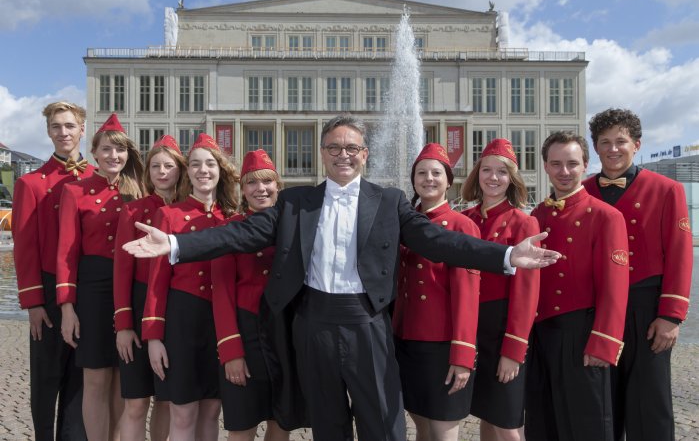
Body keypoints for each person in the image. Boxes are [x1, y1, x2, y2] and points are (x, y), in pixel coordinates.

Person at [123, 114, 560, 441]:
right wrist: (177, 246)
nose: (344, 155)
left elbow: (437, 241)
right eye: (335, 148)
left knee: (383, 420)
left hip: (367, 322)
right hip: (312, 322)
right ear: (323, 153)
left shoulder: (388, 201)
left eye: (352, 148)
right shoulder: (296, 202)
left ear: (364, 154)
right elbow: (242, 232)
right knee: (327, 420)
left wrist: (505, 255)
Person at [583, 108, 692, 441]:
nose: (613, 149)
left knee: (650, 400)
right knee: (601, 399)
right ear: (596, 148)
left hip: (647, 309)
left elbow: (679, 253)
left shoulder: (667, 189)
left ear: (637, 144)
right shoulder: (582, 191)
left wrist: (671, 316)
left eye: (621, 141)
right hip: (596, 309)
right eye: (605, 142)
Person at [526, 130, 629, 441]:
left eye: (572, 163)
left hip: (583, 334)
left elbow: (615, 287)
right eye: (556, 163)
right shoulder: (538, 214)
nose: (564, 172)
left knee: (588, 426)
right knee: (545, 422)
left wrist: (604, 342)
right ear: (545, 166)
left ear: (586, 164)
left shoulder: (606, 216)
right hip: (542, 335)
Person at [142, 133, 239, 440]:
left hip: (220, 324)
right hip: (181, 323)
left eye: (210, 163)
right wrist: (154, 337)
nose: (203, 170)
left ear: (220, 170)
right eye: (195, 164)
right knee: (183, 413)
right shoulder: (168, 215)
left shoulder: (232, 219)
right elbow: (156, 281)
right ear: (188, 172)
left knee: (211, 412)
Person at [57, 112, 144, 440]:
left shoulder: (137, 191)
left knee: (124, 378)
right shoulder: (75, 192)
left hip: (130, 288)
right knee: (95, 378)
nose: (114, 156)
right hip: (92, 290)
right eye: (106, 149)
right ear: (93, 153)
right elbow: (66, 251)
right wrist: (67, 307)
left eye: (119, 150)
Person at [12, 101, 91, 441]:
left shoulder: (96, 179)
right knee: (45, 381)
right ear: (48, 131)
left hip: (87, 291)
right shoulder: (31, 184)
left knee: (81, 382)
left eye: (70, 126)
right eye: (57, 126)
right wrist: (32, 303)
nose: (64, 132)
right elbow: (24, 247)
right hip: (46, 289)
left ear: (81, 130)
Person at [392, 143, 481, 441]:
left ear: (448, 180)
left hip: (443, 344)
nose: (428, 178)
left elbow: (468, 295)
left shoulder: (461, 226)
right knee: (421, 424)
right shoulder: (403, 225)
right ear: (413, 180)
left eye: (436, 173)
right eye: (421, 173)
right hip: (405, 340)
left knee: (444, 428)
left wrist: (463, 355)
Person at [462, 138, 540, 441]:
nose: (493, 177)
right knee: (486, 414)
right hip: (471, 330)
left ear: (512, 179)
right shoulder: (465, 219)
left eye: (502, 172)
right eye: (487, 170)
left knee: (507, 423)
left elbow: (527, 292)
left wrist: (514, 349)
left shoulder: (524, 222)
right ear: (477, 174)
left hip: (503, 329)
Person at [211, 149, 290, 441]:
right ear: (242, 189)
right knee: (242, 426)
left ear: (277, 186)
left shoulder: (291, 228)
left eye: (267, 181)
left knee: (281, 422)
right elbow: (221, 294)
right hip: (245, 333)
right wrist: (231, 352)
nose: (261, 189)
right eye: (252, 183)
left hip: (283, 336)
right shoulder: (230, 229)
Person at [113, 135, 187, 440]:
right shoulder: (132, 212)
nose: (162, 171)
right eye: (155, 165)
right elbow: (121, 273)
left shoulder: (187, 211)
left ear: (180, 170)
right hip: (140, 303)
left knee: (167, 401)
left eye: (168, 165)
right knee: (136, 402)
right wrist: (123, 325)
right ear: (148, 173)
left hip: (176, 310)